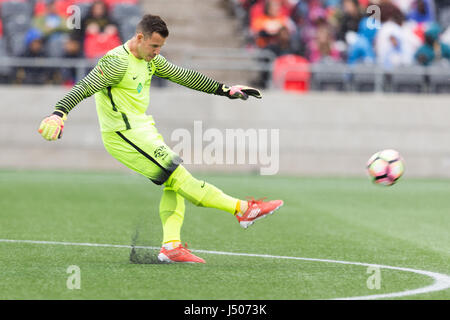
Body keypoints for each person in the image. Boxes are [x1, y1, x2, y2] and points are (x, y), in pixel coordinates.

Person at [38, 14, 284, 264]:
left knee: (173, 183)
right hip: (123, 135)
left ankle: (171, 247)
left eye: (161, 47)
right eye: (154, 46)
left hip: (142, 129)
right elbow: (84, 87)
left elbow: (185, 76)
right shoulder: (116, 63)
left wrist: (225, 90)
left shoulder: (150, 60)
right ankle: (243, 209)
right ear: (140, 37)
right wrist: (59, 113)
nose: (157, 52)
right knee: (180, 177)